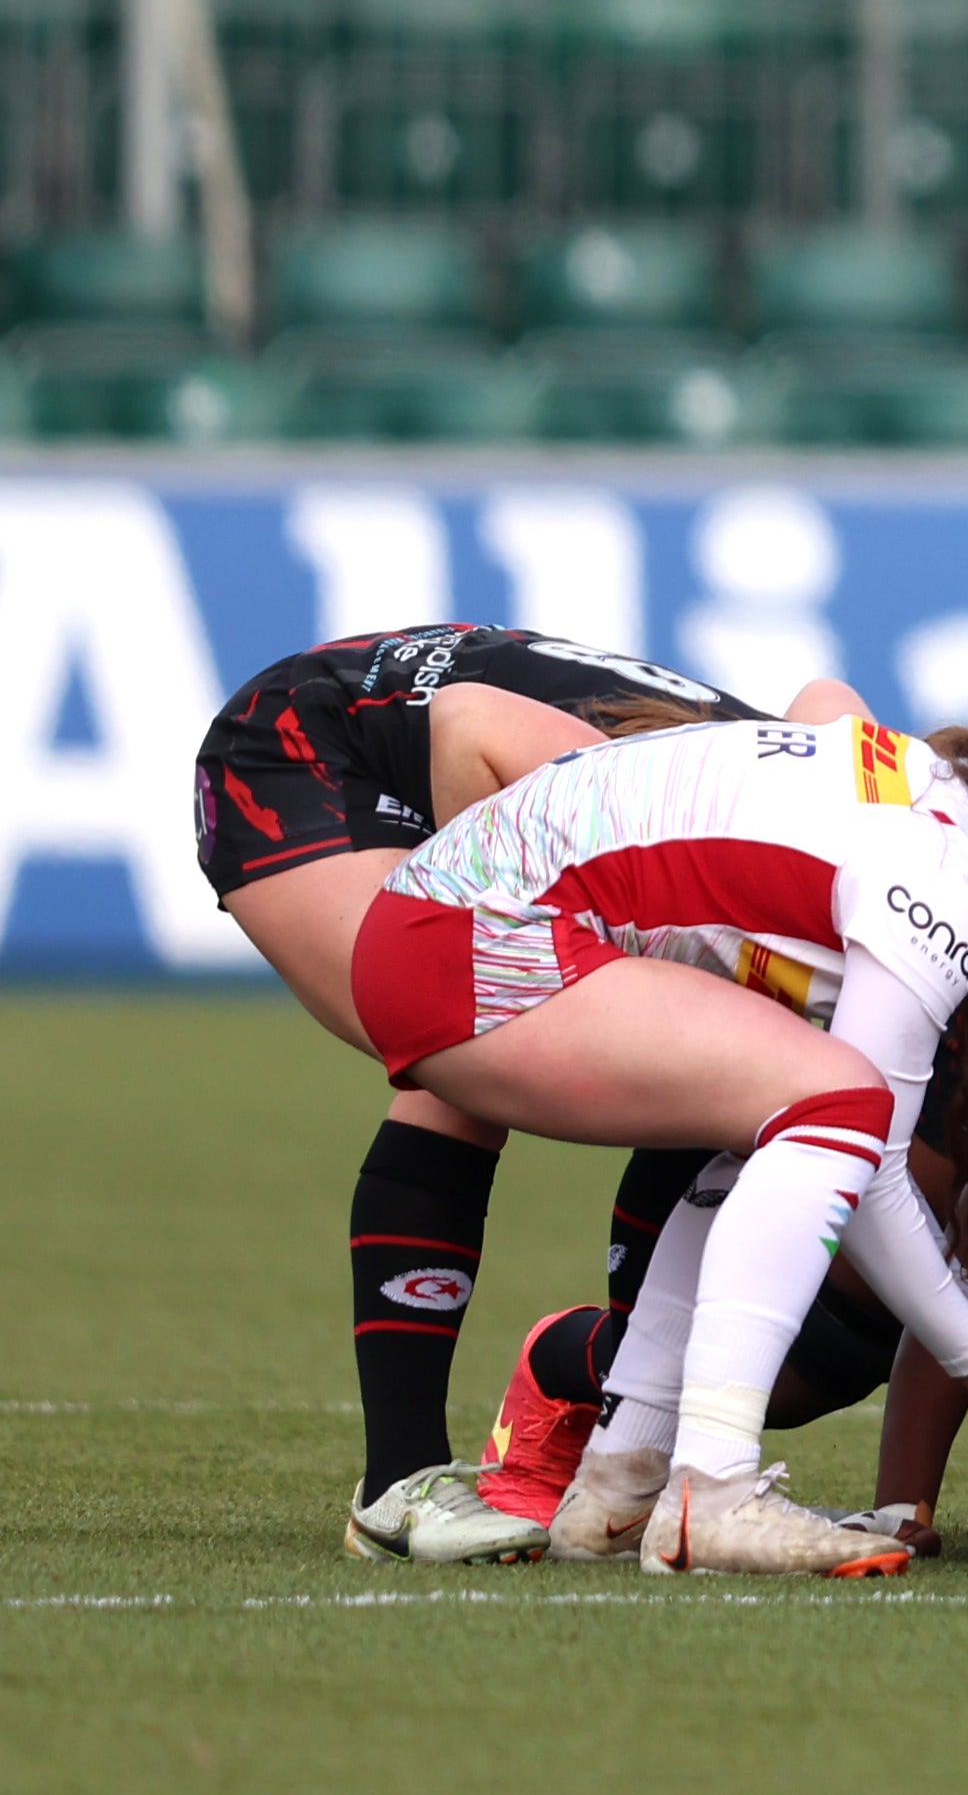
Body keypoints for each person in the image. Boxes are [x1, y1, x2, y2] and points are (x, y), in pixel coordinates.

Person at [356, 716, 968, 1573]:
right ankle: (714, 1489)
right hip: (471, 937)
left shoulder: (944, 816)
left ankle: (622, 1480)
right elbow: (871, 1167)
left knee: (786, 1115)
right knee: (839, 1106)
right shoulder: (946, 880)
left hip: (446, 921)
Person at [190, 624, 779, 1560]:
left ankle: (632, 1449)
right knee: (454, 1038)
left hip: (464, 738)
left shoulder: (848, 812)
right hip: (307, 744)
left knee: (706, 1055)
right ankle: (398, 1486)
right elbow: (467, 724)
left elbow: (832, 700)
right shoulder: (722, 826)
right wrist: (481, 934)